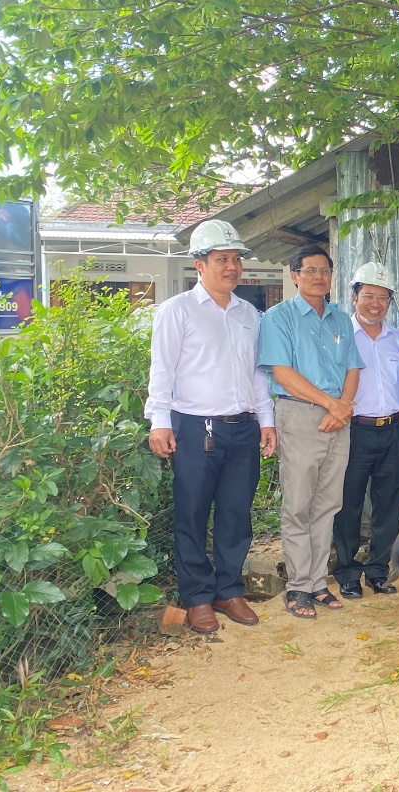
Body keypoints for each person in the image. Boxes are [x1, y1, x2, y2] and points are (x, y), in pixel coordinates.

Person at [145, 220, 276, 634]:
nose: (232, 267)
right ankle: (198, 597)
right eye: (222, 259)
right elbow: (162, 370)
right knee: (193, 514)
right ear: (200, 264)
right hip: (193, 428)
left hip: (242, 428)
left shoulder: (250, 315)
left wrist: (266, 421)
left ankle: (228, 590)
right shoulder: (177, 311)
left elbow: (258, 374)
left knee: (237, 514)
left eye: (236, 259)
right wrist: (159, 422)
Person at [258, 245, 364, 620]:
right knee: (299, 504)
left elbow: (353, 368)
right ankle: (298, 586)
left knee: (328, 505)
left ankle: (318, 583)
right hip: (300, 415)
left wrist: (342, 406)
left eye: (325, 271)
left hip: (338, 419)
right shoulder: (278, 317)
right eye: (311, 271)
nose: (319, 277)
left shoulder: (339, 320)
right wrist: (331, 404)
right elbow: (282, 373)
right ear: (295, 276)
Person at [331, 263, 399, 599]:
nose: (375, 303)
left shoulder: (397, 340)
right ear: (354, 297)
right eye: (368, 295)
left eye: (383, 297)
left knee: (390, 505)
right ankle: (348, 572)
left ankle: (378, 572)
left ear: (390, 302)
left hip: (393, 429)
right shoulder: (339, 338)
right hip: (353, 431)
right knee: (347, 505)